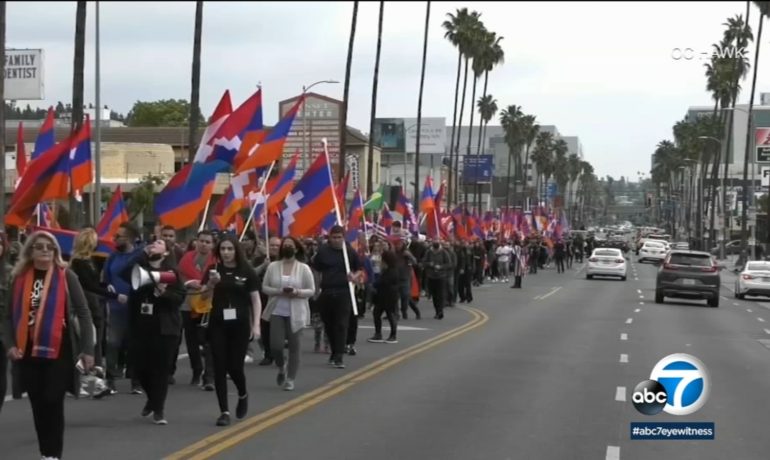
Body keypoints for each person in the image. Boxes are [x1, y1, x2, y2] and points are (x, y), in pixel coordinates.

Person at [1, 230, 95, 460]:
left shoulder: (66, 276)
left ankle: (53, 454)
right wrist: (10, 344)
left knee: (53, 399)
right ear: (30, 251)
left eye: (49, 247)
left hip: (59, 350)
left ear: (55, 251)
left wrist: (88, 350)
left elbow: (83, 313)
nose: (44, 250)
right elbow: (7, 317)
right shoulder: (19, 277)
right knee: (38, 402)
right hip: (27, 350)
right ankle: (46, 452)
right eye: (39, 246)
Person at [201, 235, 262, 427]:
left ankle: (242, 393)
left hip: (240, 324)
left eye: (229, 249)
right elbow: (203, 296)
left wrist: (256, 324)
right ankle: (224, 411)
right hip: (218, 322)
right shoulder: (213, 270)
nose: (226, 253)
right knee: (219, 366)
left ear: (236, 250)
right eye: (223, 249)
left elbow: (255, 299)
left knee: (235, 366)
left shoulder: (246, 271)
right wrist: (211, 284)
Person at [125, 239, 184, 425]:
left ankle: (159, 409)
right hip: (141, 326)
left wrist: (163, 294)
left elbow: (179, 298)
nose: (153, 245)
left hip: (165, 328)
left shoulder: (171, 273)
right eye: (152, 243)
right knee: (139, 369)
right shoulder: (139, 267)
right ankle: (152, 399)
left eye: (158, 243)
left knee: (160, 370)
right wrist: (140, 254)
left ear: (166, 252)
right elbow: (122, 273)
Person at [261, 237, 314, 392]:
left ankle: (290, 378)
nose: (288, 247)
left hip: (296, 312)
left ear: (296, 249)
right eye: (286, 245)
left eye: (291, 245)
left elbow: (311, 290)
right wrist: (278, 291)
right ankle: (281, 365)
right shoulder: (273, 266)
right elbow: (265, 287)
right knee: (275, 346)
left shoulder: (304, 268)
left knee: (294, 346)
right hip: (277, 310)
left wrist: (297, 292)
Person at [70, 228, 122, 376]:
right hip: (85, 303)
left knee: (97, 338)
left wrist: (106, 287)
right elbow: (88, 285)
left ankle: (96, 371)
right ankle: (83, 370)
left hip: (96, 303)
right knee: (88, 337)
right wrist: (114, 295)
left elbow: (95, 283)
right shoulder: (78, 262)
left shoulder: (90, 261)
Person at [311, 226, 364, 369]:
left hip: (343, 292)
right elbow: (315, 270)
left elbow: (360, 268)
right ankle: (334, 351)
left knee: (341, 324)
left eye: (339, 237)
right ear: (329, 237)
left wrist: (354, 276)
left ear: (343, 237)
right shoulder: (323, 251)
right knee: (329, 325)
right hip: (327, 291)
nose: (336, 240)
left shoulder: (349, 252)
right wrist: (316, 289)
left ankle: (339, 355)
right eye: (334, 237)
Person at [102, 222, 146, 394]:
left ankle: (136, 381)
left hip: (136, 307)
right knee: (112, 343)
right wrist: (108, 289)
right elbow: (105, 279)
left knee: (135, 344)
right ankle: (110, 380)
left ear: (128, 238)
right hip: (115, 307)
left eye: (118, 236)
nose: (115, 239)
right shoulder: (112, 257)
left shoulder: (140, 256)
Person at [177, 231, 217, 389]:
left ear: (212, 244)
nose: (204, 244)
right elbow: (179, 277)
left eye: (208, 242)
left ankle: (209, 376)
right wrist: (190, 282)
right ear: (196, 242)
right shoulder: (186, 258)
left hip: (208, 303)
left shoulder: (216, 260)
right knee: (191, 340)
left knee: (209, 341)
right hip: (188, 303)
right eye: (201, 241)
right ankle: (196, 371)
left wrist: (206, 285)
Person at [253, 236, 281, 366]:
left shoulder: (284, 260)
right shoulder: (260, 259)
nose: (274, 248)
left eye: (277, 245)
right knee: (265, 325)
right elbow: (251, 274)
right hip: (262, 296)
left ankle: (279, 353)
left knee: (279, 326)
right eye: (272, 245)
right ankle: (268, 354)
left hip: (279, 296)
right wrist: (264, 265)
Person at [368, 250, 401, 343]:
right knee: (376, 313)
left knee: (390, 314)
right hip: (382, 296)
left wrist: (374, 284)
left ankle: (393, 335)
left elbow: (384, 282)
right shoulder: (386, 269)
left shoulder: (392, 270)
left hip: (389, 296)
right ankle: (378, 334)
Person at [421, 240, 451, 319]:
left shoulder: (444, 252)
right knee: (434, 295)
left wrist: (441, 267)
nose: (435, 250)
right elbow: (424, 262)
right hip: (431, 276)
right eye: (434, 249)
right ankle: (437, 311)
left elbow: (448, 263)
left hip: (441, 276)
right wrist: (429, 264)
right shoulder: (428, 252)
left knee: (440, 295)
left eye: (436, 249)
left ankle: (440, 311)